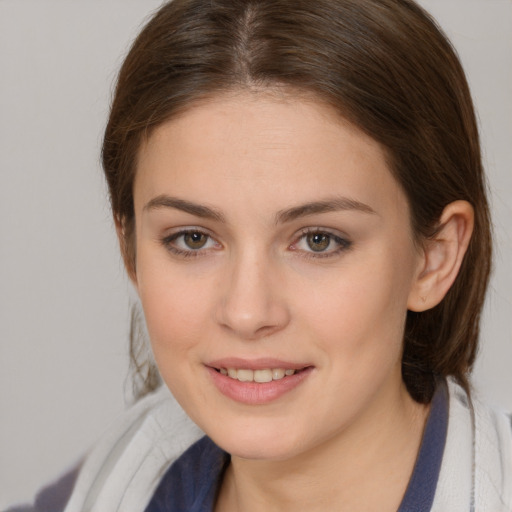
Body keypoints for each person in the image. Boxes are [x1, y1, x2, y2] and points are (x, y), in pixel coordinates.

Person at [9, 0, 511, 511]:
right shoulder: (98, 488)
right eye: (193, 239)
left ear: (434, 257)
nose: (247, 312)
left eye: (319, 240)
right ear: (130, 248)